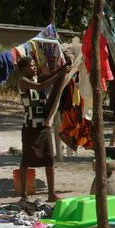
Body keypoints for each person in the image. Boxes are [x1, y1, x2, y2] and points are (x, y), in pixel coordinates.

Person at [17, 56, 71, 202]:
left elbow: (52, 75)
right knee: (26, 161)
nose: (34, 68)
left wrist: (64, 67)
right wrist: (60, 74)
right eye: (31, 66)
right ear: (23, 69)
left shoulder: (38, 78)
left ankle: (51, 194)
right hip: (30, 127)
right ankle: (23, 195)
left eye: (34, 65)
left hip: (44, 125)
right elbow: (41, 87)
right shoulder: (23, 82)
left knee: (49, 160)